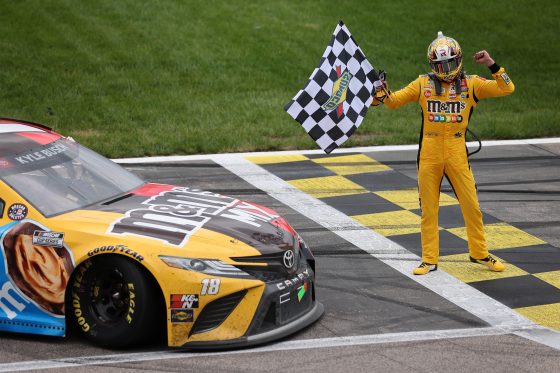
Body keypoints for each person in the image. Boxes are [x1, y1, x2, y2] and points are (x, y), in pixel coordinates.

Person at [372, 31, 515, 275]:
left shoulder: (472, 83)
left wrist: (492, 64)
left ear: (458, 59)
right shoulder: (422, 83)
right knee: (429, 208)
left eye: (450, 63)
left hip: (457, 151)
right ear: (432, 65)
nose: (446, 69)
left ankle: (479, 253)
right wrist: (380, 91)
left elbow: (507, 88)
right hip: (429, 151)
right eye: (441, 65)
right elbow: (393, 101)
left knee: (471, 205)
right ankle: (429, 259)